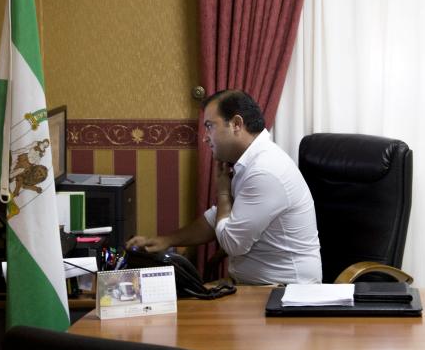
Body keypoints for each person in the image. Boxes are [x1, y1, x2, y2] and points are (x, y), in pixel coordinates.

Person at [127, 89, 322, 285]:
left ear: (237, 124)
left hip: (284, 295)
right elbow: (216, 218)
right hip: (258, 287)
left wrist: (222, 192)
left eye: (210, 126)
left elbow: (232, 243)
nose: (205, 137)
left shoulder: (264, 171)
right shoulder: (251, 161)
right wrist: (166, 240)